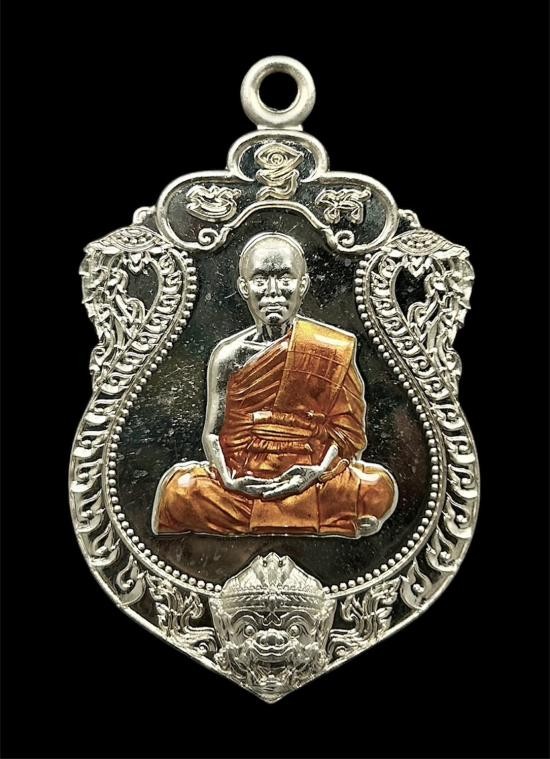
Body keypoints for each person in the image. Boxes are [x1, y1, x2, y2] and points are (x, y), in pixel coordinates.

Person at [152, 232, 397, 537]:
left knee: (377, 487)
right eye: (260, 280)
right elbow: (213, 433)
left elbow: (346, 433)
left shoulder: (330, 348)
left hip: (311, 474)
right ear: (244, 287)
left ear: (303, 285)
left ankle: (277, 517)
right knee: (181, 490)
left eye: (284, 278)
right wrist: (229, 480)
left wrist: (316, 472)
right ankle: (323, 520)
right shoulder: (229, 356)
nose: (273, 292)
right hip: (246, 478)